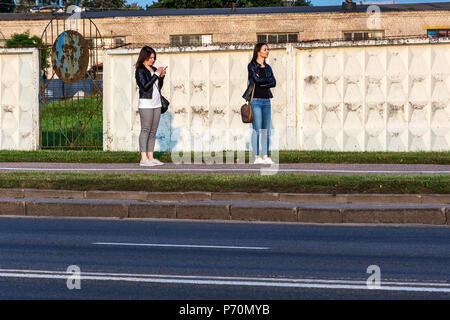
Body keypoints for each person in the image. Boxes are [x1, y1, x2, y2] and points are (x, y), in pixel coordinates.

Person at [242, 42, 276, 164]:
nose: (267, 51)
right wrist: (266, 80)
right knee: (256, 129)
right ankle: (257, 157)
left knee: (266, 130)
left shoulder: (268, 68)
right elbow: (256, 80)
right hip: (255, 101)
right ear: (258, 52)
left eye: (268, 49)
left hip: (266, 101)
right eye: (265, 49)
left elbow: (274, 83)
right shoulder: (251, 66)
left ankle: (266, 156)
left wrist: (263, 81)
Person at [135, 46, 167, 166]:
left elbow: (158, 86)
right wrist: (156, 75)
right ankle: (143, 159)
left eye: (154, 58)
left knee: (153, 131)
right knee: (145, 130)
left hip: (156, 103)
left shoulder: (153, 68)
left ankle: (150, 157)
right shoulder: (140, 71)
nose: (152, 60)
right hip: (146, 104)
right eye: (150, 58)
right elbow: (146, 86)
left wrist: (162, 76)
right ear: (144, 57)